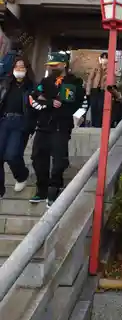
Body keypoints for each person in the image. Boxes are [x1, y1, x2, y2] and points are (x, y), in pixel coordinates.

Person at [29, 52, 85, 207]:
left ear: (64, 64)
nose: (52, 68)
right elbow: (33, 98)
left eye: (55, 65)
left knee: (59, 160)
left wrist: (75, 117)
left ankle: (54, 187)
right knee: (37, 157)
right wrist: (48, 103)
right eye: (50, 66)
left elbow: (83, 103)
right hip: (43, 125)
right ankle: (41, 189)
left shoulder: (76, 83)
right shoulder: (46, 81)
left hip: (62, 126)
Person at [0, 56, 34, 198]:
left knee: (12, 155)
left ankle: (21, 175)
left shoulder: (31, 86)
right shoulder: (6, 83)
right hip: (4, 120)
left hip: (21, 122)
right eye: (17, 67)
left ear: (27, 69)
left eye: (22, 67)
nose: (19, 70)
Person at [86, 52, 108, 127]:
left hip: (103, 90)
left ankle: (99, 124)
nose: (104, 59)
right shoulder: (96, 67)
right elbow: (90, 79)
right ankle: (93, 124)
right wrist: (88, 91)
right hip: (94, 89)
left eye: (106, 58)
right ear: (100, 59)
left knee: (100, 107)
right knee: (94, 106)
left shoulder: (109, 69)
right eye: (103, 58)